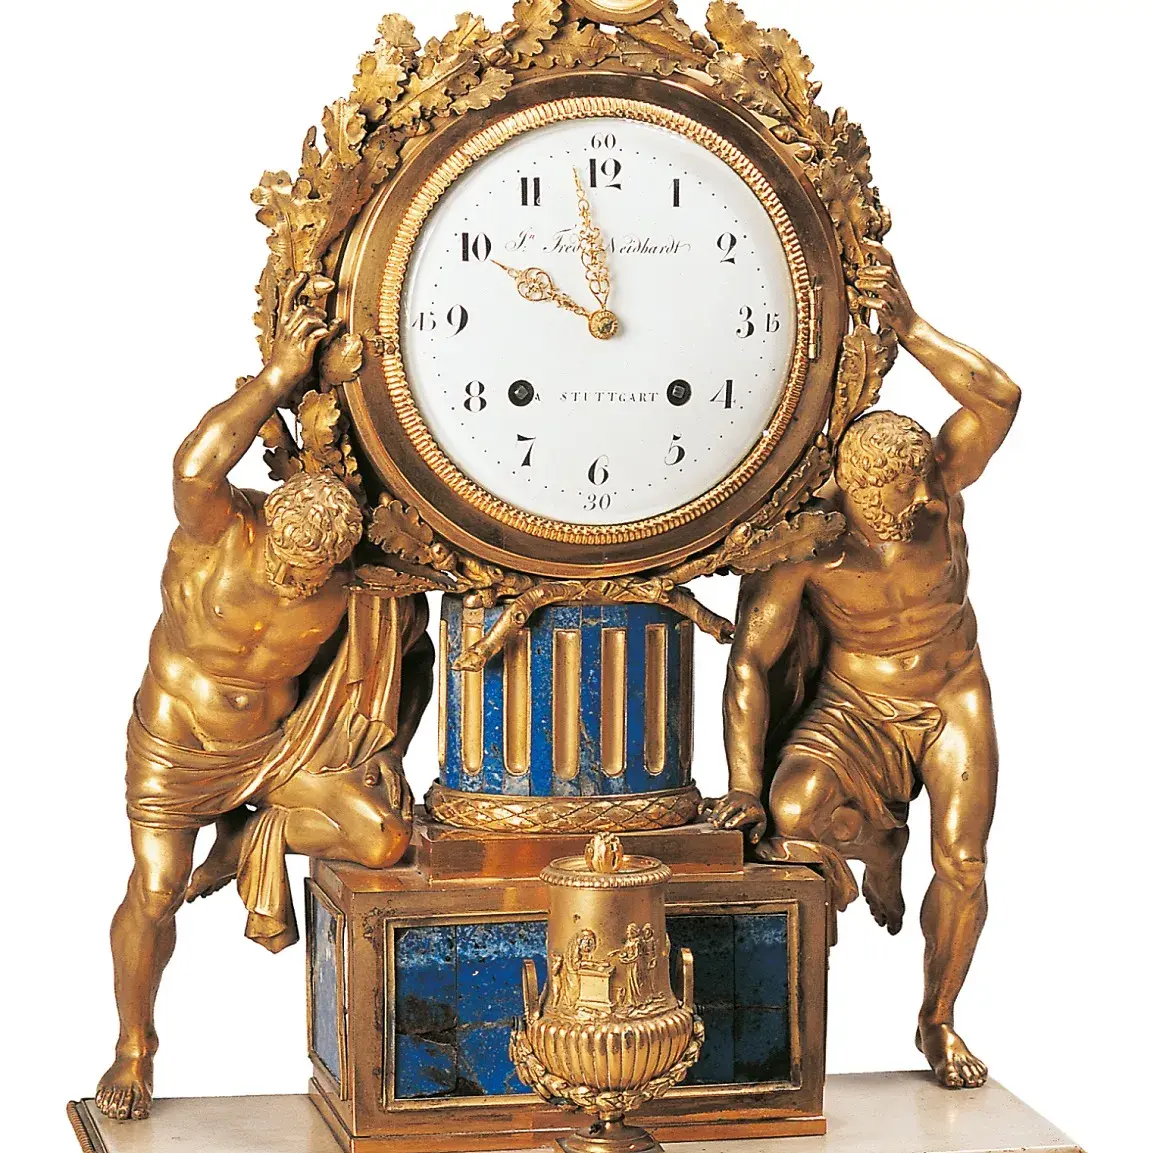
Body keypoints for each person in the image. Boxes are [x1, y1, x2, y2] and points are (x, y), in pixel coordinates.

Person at [95, 274, 435, 1121]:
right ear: (265, 521)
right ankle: (134, 1044)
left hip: (281, 746)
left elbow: (414, 649)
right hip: (178, 743)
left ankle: (250, 838)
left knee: (385, 838)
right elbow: (194, 460)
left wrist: (388, 745)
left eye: (312, 575)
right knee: (158, 887)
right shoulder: (218, 529)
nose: (295, 584)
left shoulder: (347, 583)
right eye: (287, 565)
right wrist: (279, 375)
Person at [709, 243, 1020, 1090]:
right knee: (792, 809)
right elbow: (750, 663)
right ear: (858, 493)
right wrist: (742, 787)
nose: (925, 501)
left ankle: (936, 1018)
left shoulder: (938, 488)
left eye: (924, 484)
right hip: (855, 702)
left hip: (951, 694)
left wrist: (910, 327)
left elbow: (998, 396)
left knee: (963, 862)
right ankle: (880, 843)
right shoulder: (809, 548)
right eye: (904, 492)